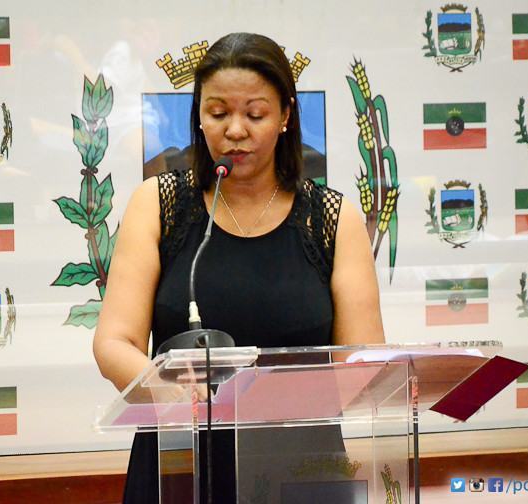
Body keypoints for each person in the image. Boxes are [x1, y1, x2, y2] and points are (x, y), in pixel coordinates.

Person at [94, 32, 384, 503]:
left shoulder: (333, 219)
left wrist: (275, 400)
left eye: (255, 114)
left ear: (286, 116)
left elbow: (362, 360)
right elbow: (113, 342)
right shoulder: (159, 204)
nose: (235, 130)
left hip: (300, 462)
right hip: (181, 460)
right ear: (198, 117)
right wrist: (166, 393)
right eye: (217, 113)